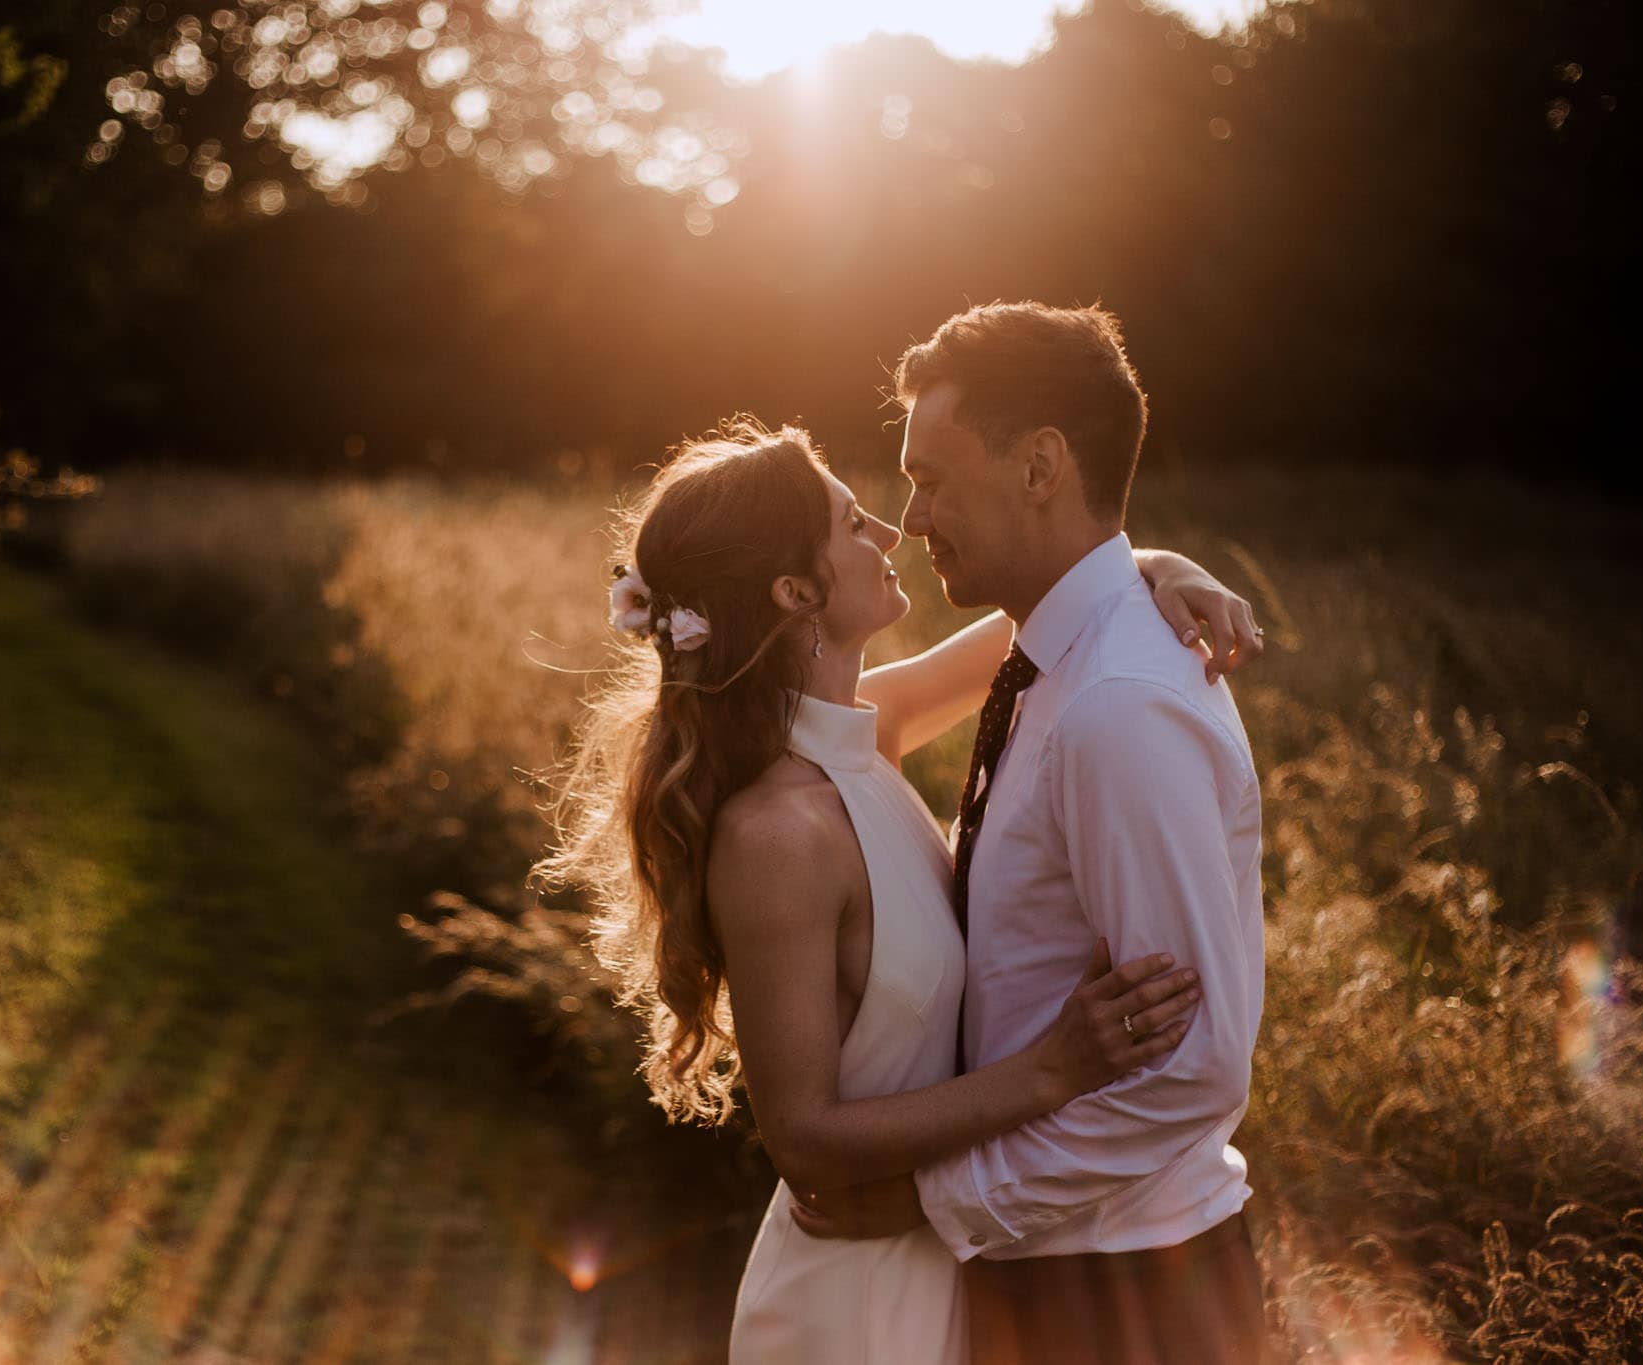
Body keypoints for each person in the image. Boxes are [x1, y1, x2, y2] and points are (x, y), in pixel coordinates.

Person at [537, 410, 1261, 1363]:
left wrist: (1159, 565)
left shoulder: (866, 731)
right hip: (859, 1295)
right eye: (851, 523)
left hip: (951, 1260)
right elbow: (801, 1138)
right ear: (796, 590)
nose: (892, 531)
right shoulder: (777, 834)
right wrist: (1050, 1069)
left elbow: (1063, 605)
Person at [792, 302, 1269, 1364]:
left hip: (1128, 1294)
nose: (909, 520)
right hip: (1046, 1276)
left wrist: (937, 1200)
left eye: (930, 477)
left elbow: (1192, 1064)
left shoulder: (1117, 704)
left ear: (1040, 465)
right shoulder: (1045, 659)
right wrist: (1147, 562)